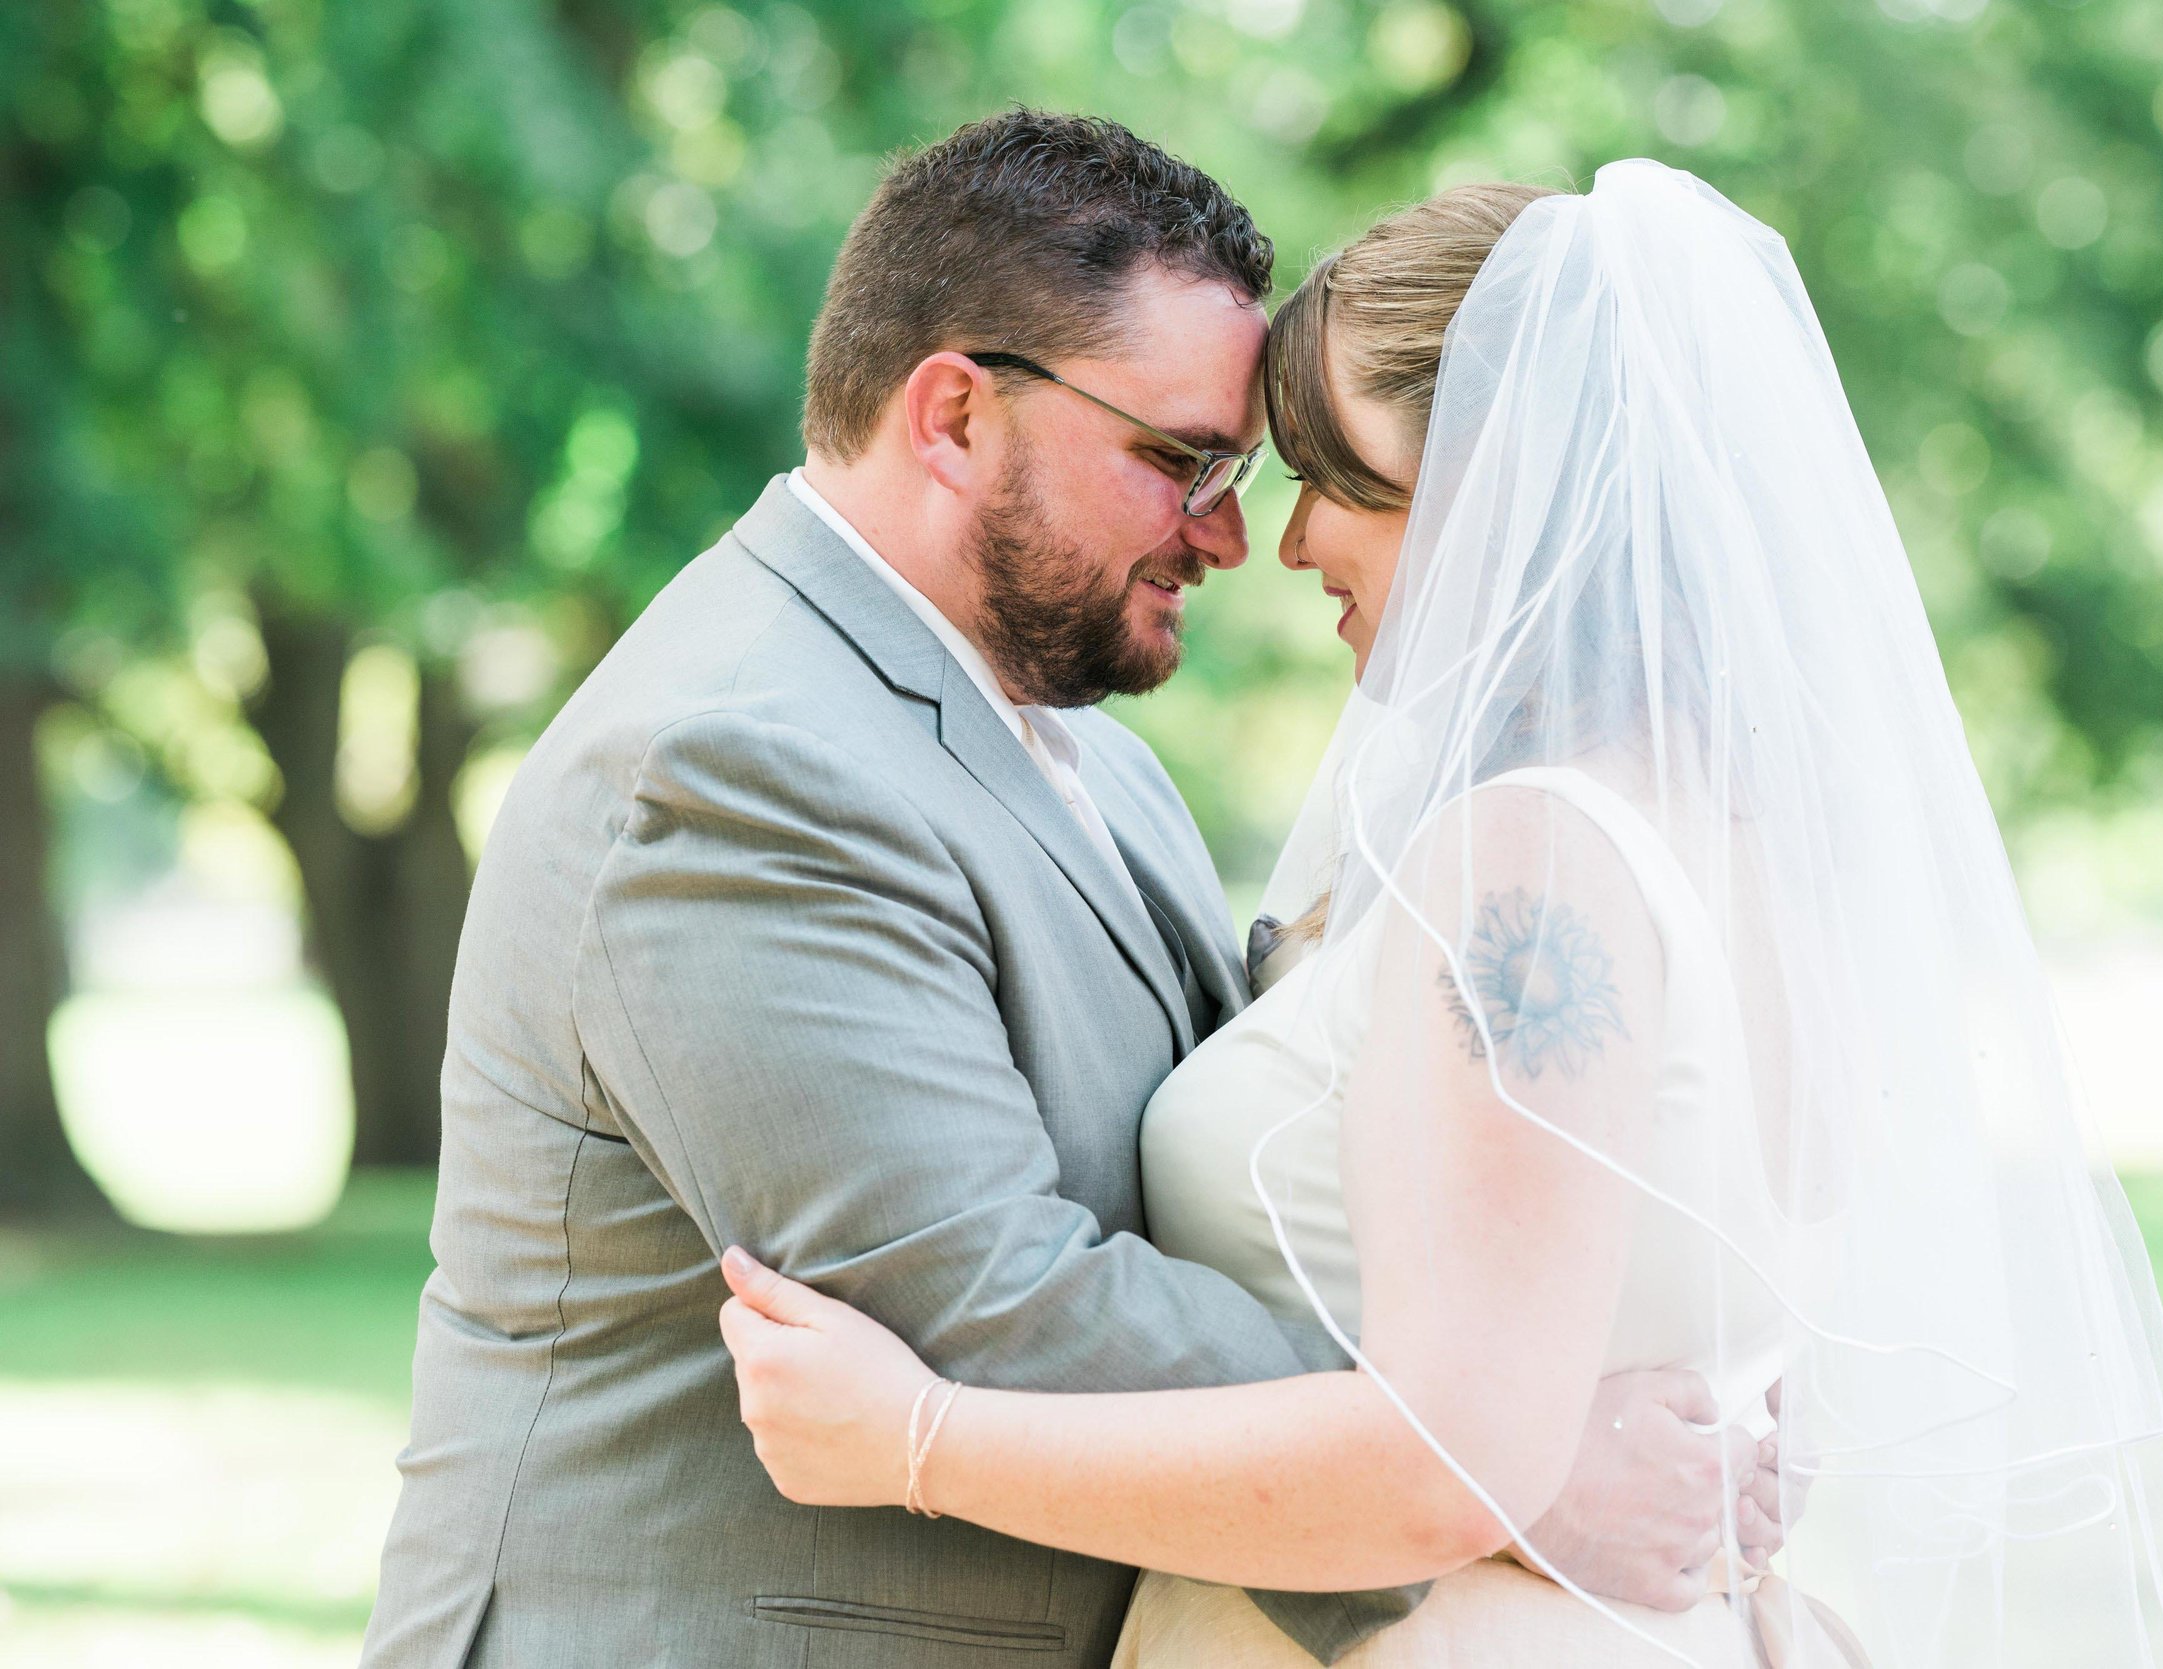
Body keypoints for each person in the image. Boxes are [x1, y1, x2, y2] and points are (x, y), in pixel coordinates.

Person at [718, 163, 2163, 1668]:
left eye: (1337, 476)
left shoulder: (1526, 858)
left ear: (1507, 475)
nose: (1293, 540)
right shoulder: (1750, 848)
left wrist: (917, 1434)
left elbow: (1443, 1464)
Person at [361, 114, 1746, 1669]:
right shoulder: (735, 764)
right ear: (953, 413)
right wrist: (1515, 1464)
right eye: (1179, 460)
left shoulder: (1090, 753)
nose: (1234, 536)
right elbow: (989, 1299)